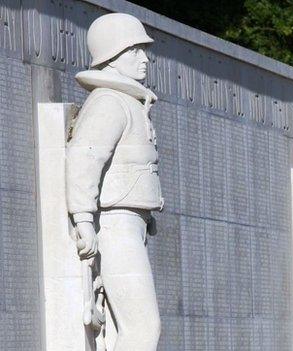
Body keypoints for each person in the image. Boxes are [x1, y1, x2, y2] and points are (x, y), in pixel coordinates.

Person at [66, 13, 162, 350]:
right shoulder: (109, 102)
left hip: (132, 224)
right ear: (112, 54)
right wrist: (83, 219)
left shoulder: (128, 102)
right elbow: (84, 159)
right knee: (143, 328)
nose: (145, 59)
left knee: (139, 326)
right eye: (135, 50)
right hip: (115, 225)